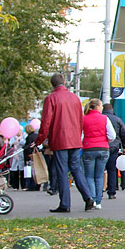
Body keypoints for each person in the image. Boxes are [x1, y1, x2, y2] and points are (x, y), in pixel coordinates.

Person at [34, 73, 95, 212]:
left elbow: (46, 122)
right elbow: (80, 120)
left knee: (62, 171)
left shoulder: (51, 98)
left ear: (52, 85)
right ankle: (88, 197)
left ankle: (65, 204)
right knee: (76, 169)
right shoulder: (75, 98)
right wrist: (77, 136)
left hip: (60, 139)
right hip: (74, 139)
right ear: (64, 83)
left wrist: (40, 140)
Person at [82, 99, 116, 210]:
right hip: (103, 148)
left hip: (88, 148)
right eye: (101, 106)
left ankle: (90, 198)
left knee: (89, 176)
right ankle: (98, 201)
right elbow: (112, 135)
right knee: (99, 175)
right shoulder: (105, 119)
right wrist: (105, 141)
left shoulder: (83, 119)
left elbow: (80, 135)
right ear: (97, 107)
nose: (102, 108)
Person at [102, 103, 125, 199]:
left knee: (99, 170)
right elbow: (124, 135)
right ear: (112, 109)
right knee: (112, 169)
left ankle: (98, 191)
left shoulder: (100, 118)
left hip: (101, 146)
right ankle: (112, 191)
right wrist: (124, 147)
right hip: (113, 147)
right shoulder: (118, 119)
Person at [22, 124, 39, 191]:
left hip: (30, 155)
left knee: (31, 171)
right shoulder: (36, 136)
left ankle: (31, 185)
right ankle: (37, 185)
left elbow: (28, 147)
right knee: (36, 170)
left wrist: (27, 157)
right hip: (36, 154)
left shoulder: (29, 137)